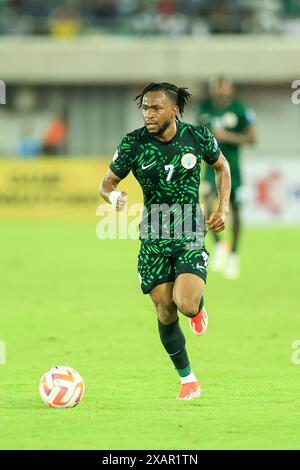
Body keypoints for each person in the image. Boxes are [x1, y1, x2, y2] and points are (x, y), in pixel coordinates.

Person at [100, 82, 231, 400]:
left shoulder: (197, 136)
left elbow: (221, 167)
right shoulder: (133, 143)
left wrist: (222, 208)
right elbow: (107, 183)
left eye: (156, 107)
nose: (149, 113)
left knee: (184, 304)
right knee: (164, 308)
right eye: (145, 107)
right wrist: (113, 195)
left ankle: (198, 307)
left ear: (174, 110)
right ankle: (188, 380)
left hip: (188, 231)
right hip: (153, 237)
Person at [198, 76, 256, 279]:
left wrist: (226, 137)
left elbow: (252, 138)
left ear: (230, 89)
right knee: (206, 206)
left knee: (236, 209)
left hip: (232, 170)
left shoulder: (240, 110)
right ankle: (220, 244)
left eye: (224, 87)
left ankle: (234, 255)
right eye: (217, 87)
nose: (220, 91)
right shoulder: (205, 109)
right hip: (210, 168)